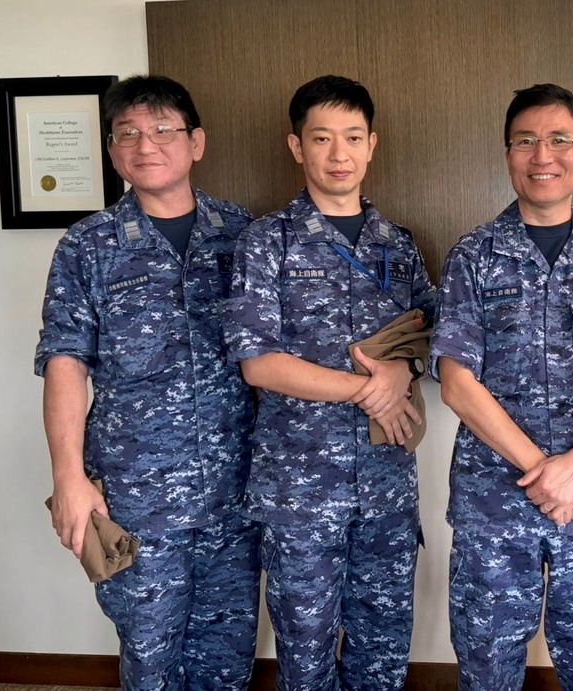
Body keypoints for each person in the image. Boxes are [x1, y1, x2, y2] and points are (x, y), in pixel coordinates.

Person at [35, 75, 260, 689]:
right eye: (127, 133)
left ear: (197, 143)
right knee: (151, 659)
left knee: (228, 660)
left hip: (237, 496)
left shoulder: (246, 237)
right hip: (138, 502)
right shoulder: (88, 247)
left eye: (164, 130)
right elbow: (64, 366)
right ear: (112, 151)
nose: (146, 144)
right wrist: (69, 479)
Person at [430, 83, 573, 690]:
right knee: (487, 668)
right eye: (526, 141)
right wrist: (544, 471)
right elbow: (454, 380)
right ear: (507, 154)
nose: (542, 155)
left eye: (559, 140)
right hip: (493, 502)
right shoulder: (472, 256)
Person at [224, 75, 436, 691]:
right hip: (298, 494)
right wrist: (367, 389)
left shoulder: (397, 243)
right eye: (322, 138)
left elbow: (432, 331)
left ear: (373, 144)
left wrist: (403, 370)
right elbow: (258, 362)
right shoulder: (266, 242)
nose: (338, 154)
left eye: (352, 137)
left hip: (386, 485)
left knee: (383, 648)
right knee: (305, 656)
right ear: (297, 147)